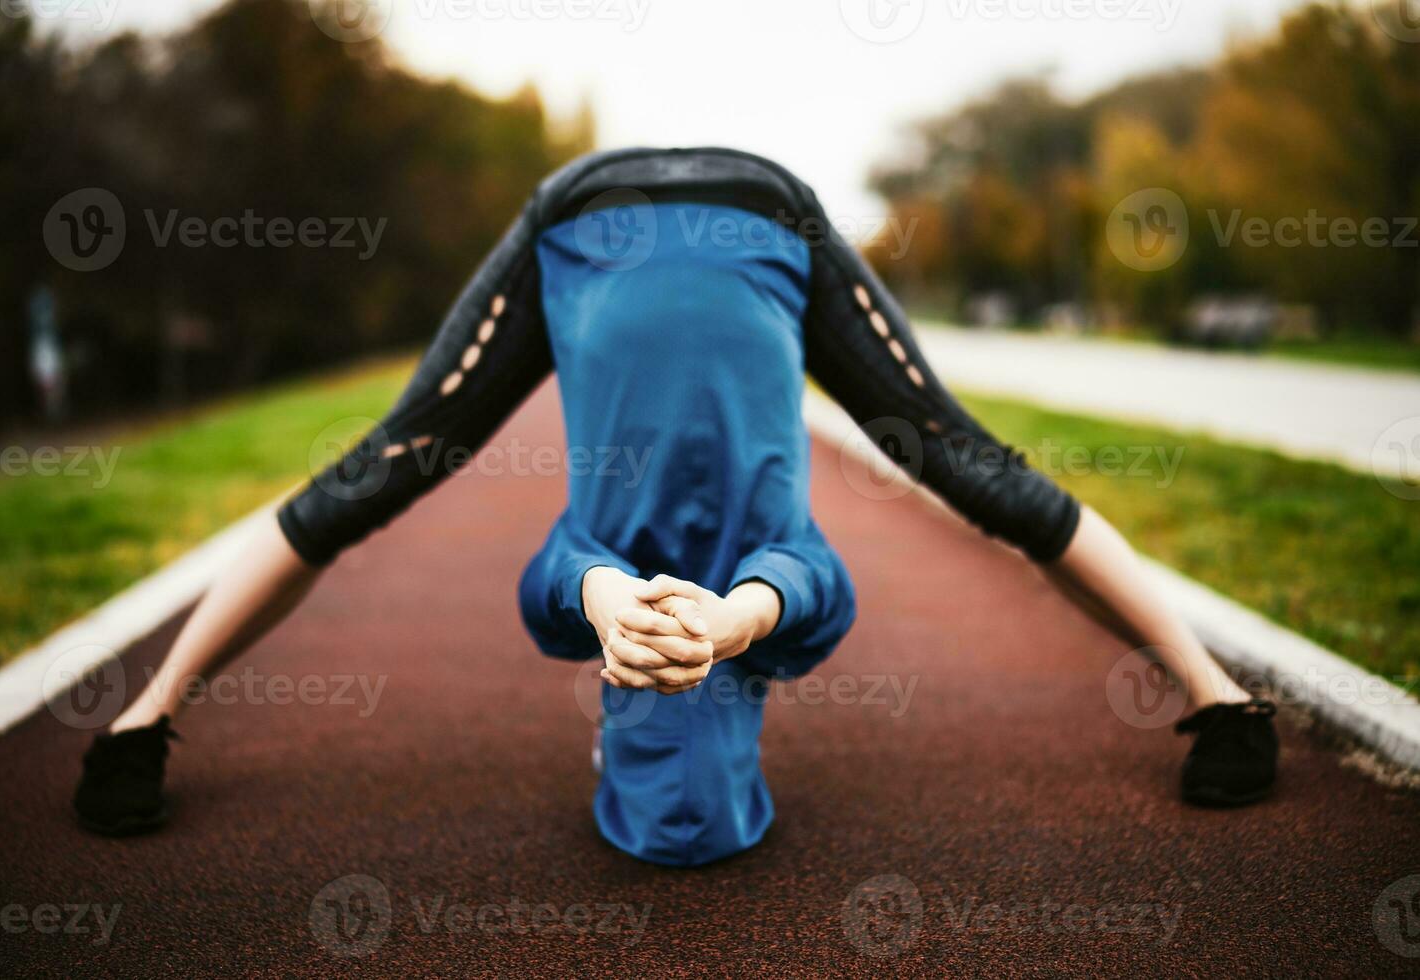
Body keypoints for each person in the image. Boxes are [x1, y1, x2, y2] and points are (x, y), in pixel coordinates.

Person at [74, 147, 1278, 857]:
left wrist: (612, 599)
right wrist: (737, 621)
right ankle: (1218, 696)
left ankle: (1225, 704)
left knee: (380, 471)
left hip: (618, 209)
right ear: (740, 695)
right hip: (735, 211)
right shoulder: (764, 605)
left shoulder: (599, 594)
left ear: (611, 683)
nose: (657, 659)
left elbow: (562, 572)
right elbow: (810, 579)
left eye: (631, 683)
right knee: (972, 464)